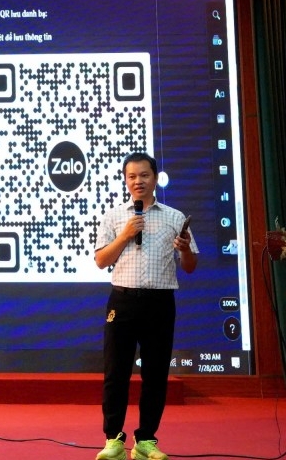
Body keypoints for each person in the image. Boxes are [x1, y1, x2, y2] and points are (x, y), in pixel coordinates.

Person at [93, 152, 198, 460]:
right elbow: (101, 260)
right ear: (126, 181)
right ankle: (113, 440)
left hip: (160, 303)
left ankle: (146, 441)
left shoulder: (174, 217)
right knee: (116, 373)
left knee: (155, 374)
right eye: (132, 176)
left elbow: (190, 266)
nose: (138, 181)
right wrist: (126, 235)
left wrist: (185, 250)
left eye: (144, 175)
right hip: (122, 301)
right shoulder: (114, 216)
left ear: (155, 178)